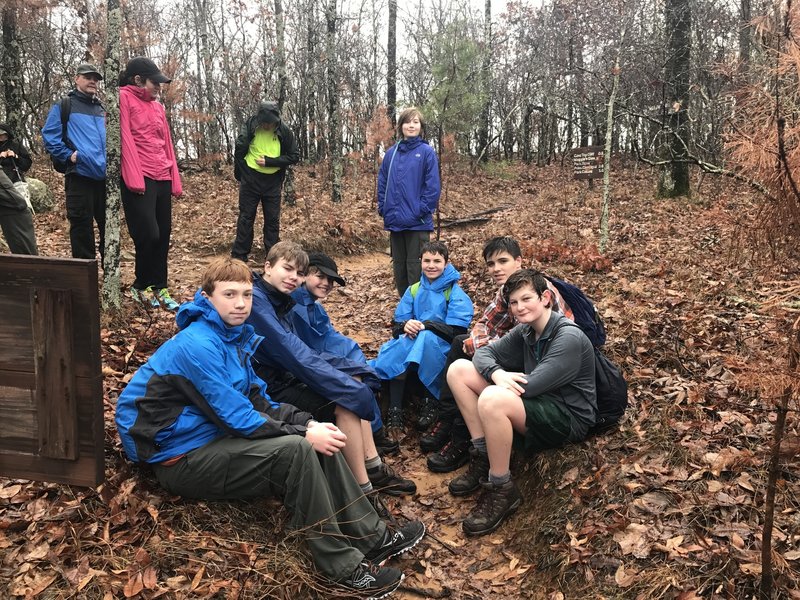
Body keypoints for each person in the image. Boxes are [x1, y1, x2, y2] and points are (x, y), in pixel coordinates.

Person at [115, 257, 425, 597]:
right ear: (206, 298)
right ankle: (341, 569)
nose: (240, 303)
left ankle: (371, 536)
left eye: (247, 295)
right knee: (296, 450)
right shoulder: (198, 345)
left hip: (208, 438)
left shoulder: (231, 338)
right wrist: (304, 434)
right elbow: (238, 418)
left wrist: (307, 422)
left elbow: (260, 401)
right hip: (178, 457)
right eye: (229, 294)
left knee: (320, 433)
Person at [247, 242, 416, 502]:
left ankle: (372, 465)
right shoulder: (259, 303)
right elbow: (294, 354)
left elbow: (309, 348)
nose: (294, 277)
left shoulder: (279, 300)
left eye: (299, 273)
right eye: (287, 269)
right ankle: (362, 491)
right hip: (263, 388)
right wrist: (348, 385)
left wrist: (355, 369)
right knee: (347, 400)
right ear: (267, 267)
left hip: (280, 376)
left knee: (355, 380)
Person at [447, 269, 596, 536]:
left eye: (527, 299)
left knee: (493, 399)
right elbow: (482, 354)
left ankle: (503, 488)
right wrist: (498, 373)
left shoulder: (568, 337)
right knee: (459, 369)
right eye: (514, 302)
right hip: (538, 403)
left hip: (567, 416)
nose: (519, 307)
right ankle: (484, 455)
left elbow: (532, 386)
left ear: (546, 298)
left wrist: (498, 383)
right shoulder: (527, 331)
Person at [424, 236, 573, 473]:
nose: (496, 269)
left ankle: (460, 433)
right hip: (518, 354)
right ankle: (456, 425)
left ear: (519, 261)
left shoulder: (538, 290)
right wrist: (487, 347)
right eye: (491, 264)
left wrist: (488, 350)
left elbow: (528, 341)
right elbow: (485, 323)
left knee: (464, 349)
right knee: (460, 344)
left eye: (503, 261)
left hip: (542, 365)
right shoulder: (507, 290)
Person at [290, 252, 398, 456]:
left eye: (330, 280)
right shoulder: (295, 305)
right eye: (320, 277)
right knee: (355, 380)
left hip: (324, 357)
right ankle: (373, 437)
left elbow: (330, 338)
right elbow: (308, 347)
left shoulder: (314, 305)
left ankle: (374, 434)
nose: (326, 283)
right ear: (305, 275)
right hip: (308, 364)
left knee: (361, 371)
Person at [369, 240, 473, 434]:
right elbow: (397, 326)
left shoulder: (455, 292)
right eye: (427, 261)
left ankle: (430, 402)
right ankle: (395, 408)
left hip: (441, 346)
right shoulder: (414, 289)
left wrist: (427, 326)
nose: (431, 265)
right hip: (413, 342)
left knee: (425, 339)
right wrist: (405, 325)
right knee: (401, 346)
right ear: (420, 262)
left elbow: (457, 332)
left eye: (437, 261)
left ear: (446, 263)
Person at [119, 56, 182, 310]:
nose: (158, 87)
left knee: (163, 232)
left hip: (162, 175)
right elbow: (124, 137)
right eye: (154, 82)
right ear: (138, 80)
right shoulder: (122, 98)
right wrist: (133, 177)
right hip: (139, 176)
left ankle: (160, 286)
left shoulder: (158, 107)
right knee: (148, 233)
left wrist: (174, 178)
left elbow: (165, 141)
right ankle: (140, 285)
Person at [41, 63, 106, 260]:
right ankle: (85, 284)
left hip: (105, 179)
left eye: (95, 78)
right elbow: (50, 136)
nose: (92, 81)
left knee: (109, 229)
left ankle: (111, 278)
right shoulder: (64, 105)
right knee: (81, 229)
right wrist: (69, 155)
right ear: (77, 79)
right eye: (88, 77)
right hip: (79, 176)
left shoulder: (103, 108)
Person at [377, 107, 441, 296]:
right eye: (407, 122)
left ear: (421, 127)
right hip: (395, 221)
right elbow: (382, 182)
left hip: (417, 222)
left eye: (415, 122)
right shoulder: (391, 153)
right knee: (399, 267)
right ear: (400, 126)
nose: (411, 126)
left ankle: (420, 308)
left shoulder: (426, 152)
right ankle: (405, 308)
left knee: (417, 268)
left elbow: (433, 187)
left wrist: (422, 210)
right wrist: (383, 208)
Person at [231, 101, 299, 263]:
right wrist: (241, 174)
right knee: (246, 217)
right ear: (259, 119)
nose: (267, 126)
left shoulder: (284, 130)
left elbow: (294, 155)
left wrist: (270, 161)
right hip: (251, 178)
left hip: (273, 181)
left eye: (271, 123)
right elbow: (240, 148)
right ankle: (239, 256)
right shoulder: (251, 126)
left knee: (272, 219)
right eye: (265, 122)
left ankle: (273, 256)